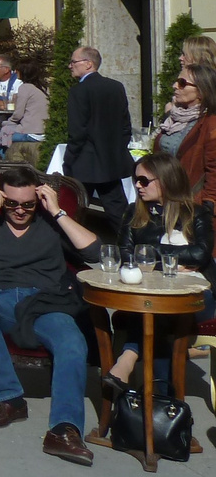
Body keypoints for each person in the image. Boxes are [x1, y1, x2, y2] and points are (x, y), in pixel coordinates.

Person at [0, 165, 101, 465]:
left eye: (27, 204)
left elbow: (95, 252)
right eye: (12, 203)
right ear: (2, 200)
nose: (20, 210)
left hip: (46, 303)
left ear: (37, 200)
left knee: (71, 341)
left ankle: (64, 430)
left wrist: (57, 211)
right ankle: (9, 399)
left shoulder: (52, 225)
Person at [103, 151, 215, 397]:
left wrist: (149, 252)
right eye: (136, 180)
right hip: (150, 295)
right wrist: (174, 257)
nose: (138, 186)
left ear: (165, 180)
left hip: (198, 297)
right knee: (156, 312)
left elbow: (200, 255)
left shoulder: (196, 214)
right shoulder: (134, 213)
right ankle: (160, 402)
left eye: (144, 180)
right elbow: (125, 255)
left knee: (159, 311)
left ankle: (128, 359)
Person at [65, 46, 135, 226]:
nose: (70, 66)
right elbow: (126, 126)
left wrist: (69, 159)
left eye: (73, 62)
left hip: (85, 162)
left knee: (75, 210)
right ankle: (132, 245)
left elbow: (77, 132)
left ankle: (73, 248)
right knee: (118, 210)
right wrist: (117, 150)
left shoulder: (78, 91)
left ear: (88, 64)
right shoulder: (115, 87)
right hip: (110, 161)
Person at [170, 64, 216, 209]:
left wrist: (208, 203)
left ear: (201, 92)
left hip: (191, 203)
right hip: (166, 200)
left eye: (182, 83)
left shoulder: (210, 123)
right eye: (176, 81)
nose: (175, 86)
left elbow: (214, 169)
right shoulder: (172, 118)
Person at [0, 58, 49, 160]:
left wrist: (5, 123)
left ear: (22, 71)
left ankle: (6, 163)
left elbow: (18, 115)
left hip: (31, 133)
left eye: (17, 70)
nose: (15, 72)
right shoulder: (43, 87)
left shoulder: (25, 88)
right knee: (4, 134)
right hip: (43, 131)